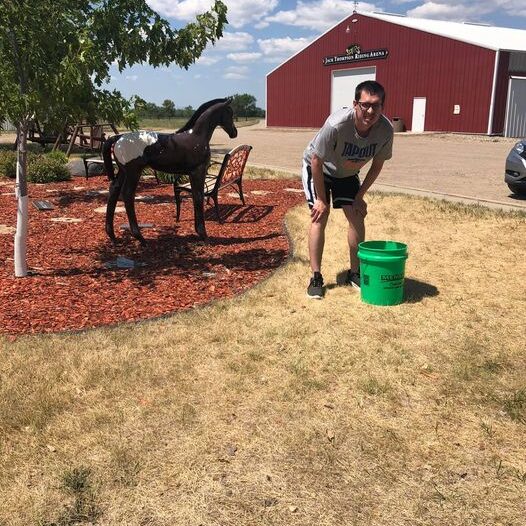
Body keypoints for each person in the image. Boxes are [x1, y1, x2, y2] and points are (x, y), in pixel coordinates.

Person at [302, 80, 393, 299]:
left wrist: (359, 196)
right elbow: (316, 160)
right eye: (365, 105)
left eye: (376, 105)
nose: (370, 110)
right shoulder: (337, 124)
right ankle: (316, 277)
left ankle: (354, 273)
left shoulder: (385, 130)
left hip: (347, 173)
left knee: (356, 216)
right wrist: (321, 199)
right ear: (355, 104)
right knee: (319, 217)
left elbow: (377, 164)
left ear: (382, 106)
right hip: (320, 168)